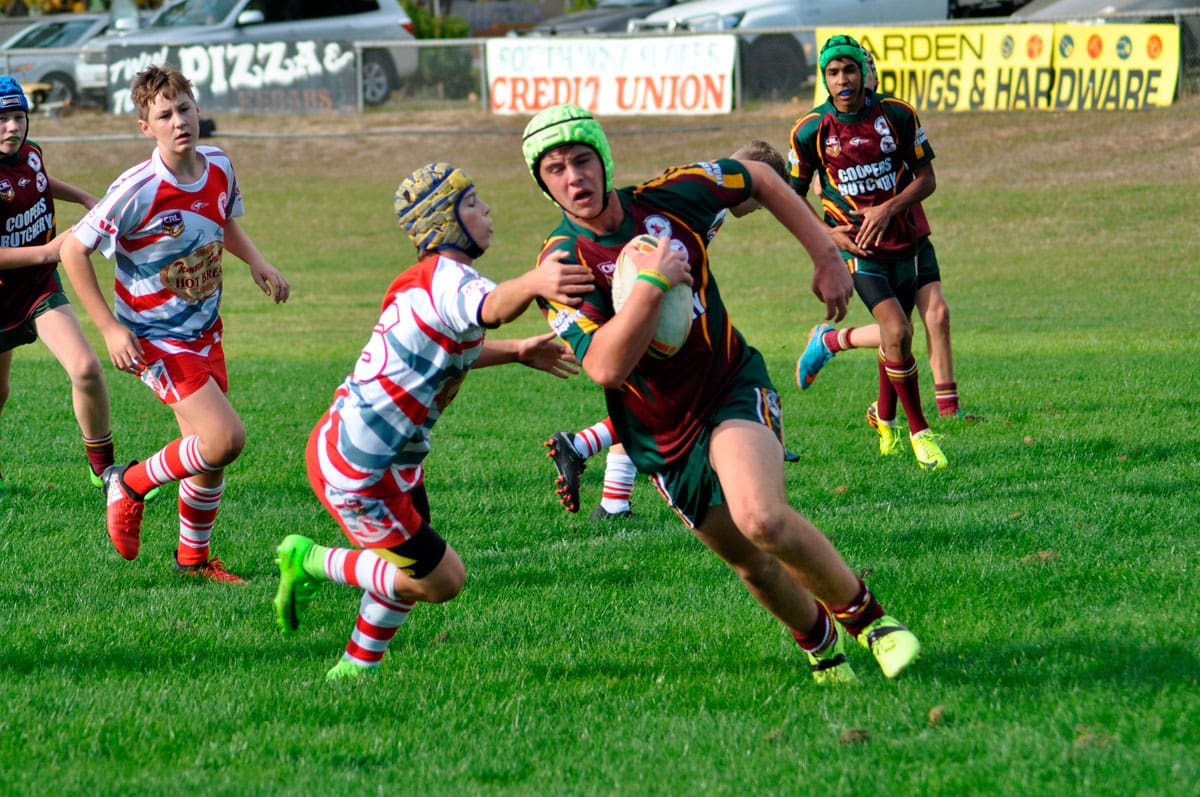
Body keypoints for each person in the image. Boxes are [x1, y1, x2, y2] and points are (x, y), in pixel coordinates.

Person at [523, 103, 921, 684]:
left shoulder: (668, 197)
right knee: (752, 563)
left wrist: (824, 253)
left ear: (604, 161)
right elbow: (607, 367)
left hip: (728, 384)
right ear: (543, 183)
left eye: (583, 160)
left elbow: (758, 175)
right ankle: (821, 645)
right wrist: (653, 286)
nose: (574, 178)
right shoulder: (561, 265)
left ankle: (874, 624)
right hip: (658, 432)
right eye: (555, 169)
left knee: (762, 518)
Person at [271, 162, 591, 681]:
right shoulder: (451, 279)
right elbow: (491, 309)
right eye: (472, 203)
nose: (486, 211)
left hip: (389, 460)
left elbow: (449, 343)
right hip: (360, 471)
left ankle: (357, 668)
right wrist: (534, 281)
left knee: (415, 557)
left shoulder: (432, 283)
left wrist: (513, 354)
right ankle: (309, 560)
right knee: (441, 581)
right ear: (445, 222)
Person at [59, 64, 290, 581]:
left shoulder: (219, 166)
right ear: (147, 128)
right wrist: (110, 330)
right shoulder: (137, 188)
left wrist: (256, 260)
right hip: (155, 338)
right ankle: (132, 484)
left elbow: (222, 217)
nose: (178, 120)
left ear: (198, 109)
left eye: (184, 108)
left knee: (208, 456)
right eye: (163, 114)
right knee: (224, 438)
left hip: (205, 329)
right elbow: (74, 250)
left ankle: (194, 562)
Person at [544, 139, 799, 521]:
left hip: (644, 309)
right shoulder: (705, 200)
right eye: (760, 201)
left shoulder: (706, 197)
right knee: (665, 399)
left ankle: (611, 498)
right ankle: (583, 450)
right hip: (637, 310)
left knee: (646, 402)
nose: (758, 208)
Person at [788, 35, 948, 471]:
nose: (842, 80)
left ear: (863, 73)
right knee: (895, 330)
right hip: (858, 251)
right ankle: (922, 433)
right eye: (833, 72)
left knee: (898, 339)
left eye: (850, 70)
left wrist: (889, 207)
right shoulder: (810, 130)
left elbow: (927, 179)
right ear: (825, 78)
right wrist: (828, 236)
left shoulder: (897, 114)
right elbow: (790, 196)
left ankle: (886, 420)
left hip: (904, 242)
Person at [0, 75, 124, 502]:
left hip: (37, 287)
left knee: (86, 368)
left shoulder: (31, 154)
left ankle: (104, 471)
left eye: (18, 117)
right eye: (1, 120)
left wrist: (88, 198)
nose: (12, 127)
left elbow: (38, 183)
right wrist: (48, 251)